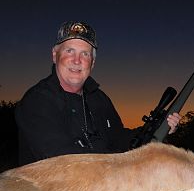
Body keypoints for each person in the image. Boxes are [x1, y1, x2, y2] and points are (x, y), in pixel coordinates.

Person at [15, 21, 181, 166]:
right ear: (54, 55)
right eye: (69, 51)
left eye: (85, 54)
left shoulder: (99, 99)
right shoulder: (37, 102)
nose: (77, 60)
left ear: (92, 63)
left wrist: (157, 129)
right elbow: (63, 164)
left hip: (103, 187)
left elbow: (119, 138)